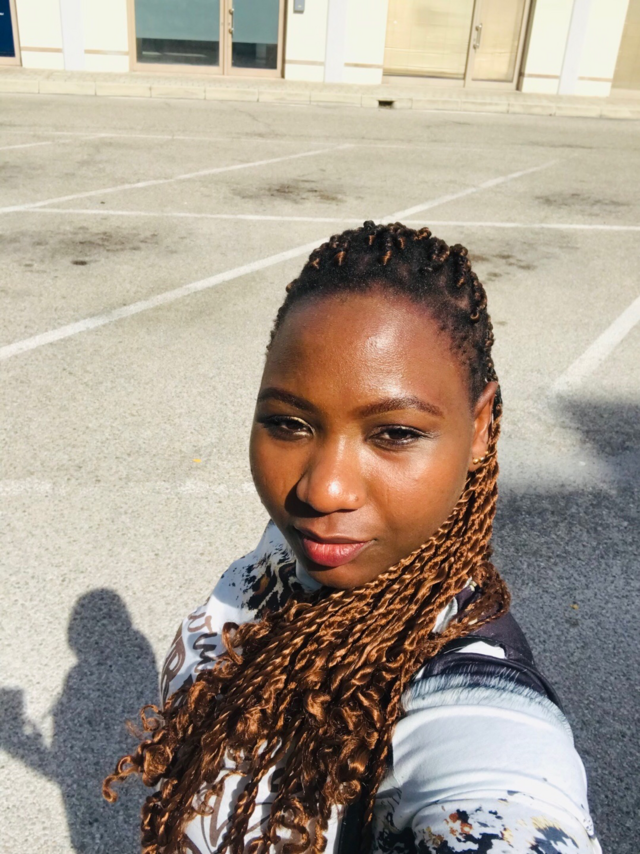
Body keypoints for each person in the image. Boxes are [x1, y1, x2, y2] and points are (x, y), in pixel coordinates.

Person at [104, 222, 601, 854]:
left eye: (395, 433)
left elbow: (505, 802)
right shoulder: (303, 546)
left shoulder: (470, 701)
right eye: (289, 423)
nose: (323, 489)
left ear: (480, 427)